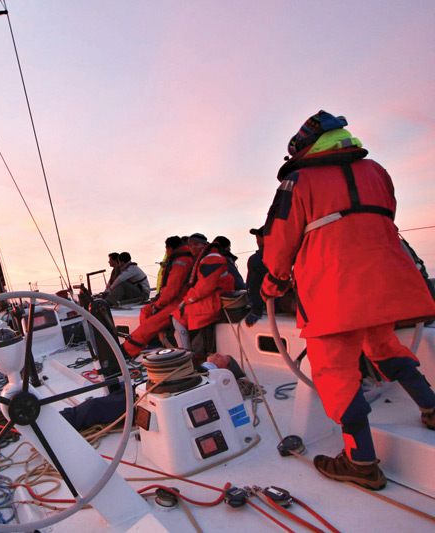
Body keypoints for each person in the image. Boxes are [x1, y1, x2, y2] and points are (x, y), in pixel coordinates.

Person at [260, 110, 435, 490]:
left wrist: (273, 281)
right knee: (384, 345)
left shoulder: (298, 180)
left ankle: (361, 462)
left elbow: (280, 236)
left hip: (333, 290)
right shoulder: (376, 171)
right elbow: (385, 214)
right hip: (385, 281)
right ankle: (431, 406)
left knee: (336, 373)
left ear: (302, 148)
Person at [123, 236, 193, 356]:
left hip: (180, 302)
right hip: (174, 300)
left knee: (151, 323)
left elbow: (172, 289)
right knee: (145, 311)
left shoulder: (181, 261)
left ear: (169, 248)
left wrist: (159, 305)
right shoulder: (179, 258)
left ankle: (126, 351)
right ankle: (152, 343)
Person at [171, 234, 235, 359]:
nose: (192, 247)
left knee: (177, 317)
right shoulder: (206, 257)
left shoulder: (211, 258)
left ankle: (186, 356)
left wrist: (186, 300)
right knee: (178, 314)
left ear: (204, 244)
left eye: (195, 244)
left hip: (214, 301)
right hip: (212, 298)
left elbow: (205, 286)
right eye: (190, 245)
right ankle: (189, 352)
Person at [244, 227, 268, 327]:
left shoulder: (256, 259)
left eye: (259, 237)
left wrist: (255, 311)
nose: (257, 240)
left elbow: (253, 285)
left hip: (272, 306)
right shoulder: (289, 254)